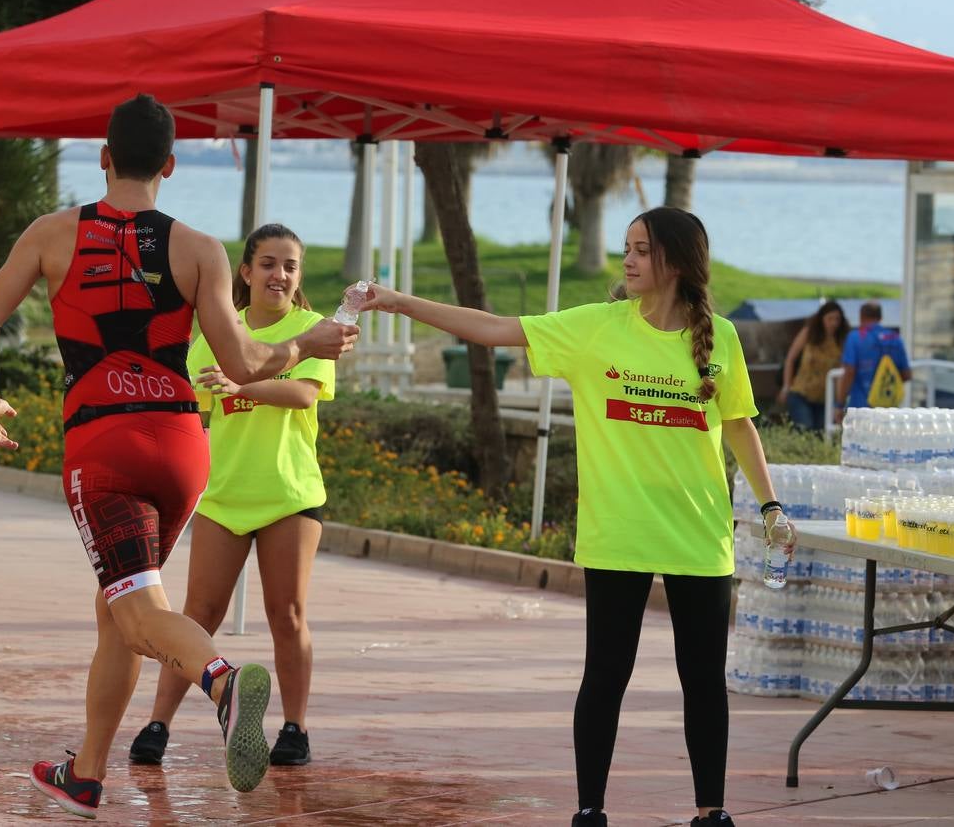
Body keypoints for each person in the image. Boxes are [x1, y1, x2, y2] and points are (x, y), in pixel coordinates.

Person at [0, 94, 357, 820]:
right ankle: (84, 773)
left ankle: (222, 681)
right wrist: (305, 344)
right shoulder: (200, 248)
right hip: (181, 449)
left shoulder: (51, 234)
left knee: (140, 615)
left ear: (104, 157)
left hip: (104, 443)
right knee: (118, 608)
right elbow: (242, 366)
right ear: (170, 166)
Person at [356, 206, 794, 827]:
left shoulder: (719, 336)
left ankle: (710, 812)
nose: (628, 259)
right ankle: (590, 810)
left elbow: (738, 425)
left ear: (674, 259)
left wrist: (771, 504)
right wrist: (401, 302)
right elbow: (492, 329)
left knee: (704, 684)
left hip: (700, 538)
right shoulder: (594, 328)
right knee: (605, 678)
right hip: (618, 536)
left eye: (641, 249)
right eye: (627, 247)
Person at [128, 222, 333, 769]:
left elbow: (302, 395)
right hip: (222, 498)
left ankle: (295, 728)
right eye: (268, 263)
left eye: (290, 265)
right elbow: (190, 417)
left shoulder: (314, 331)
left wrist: (242, 385)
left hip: (290, 495)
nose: (280, 274)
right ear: (245, 271)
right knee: (199, 615)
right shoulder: (217, 335)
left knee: (285, 613)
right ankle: (157, 725)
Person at [777, 300, 849, 431]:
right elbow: (790, 358)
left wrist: (839, 403)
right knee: (804, 427)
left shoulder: (841, 340)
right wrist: (786, 386)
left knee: (820, 432)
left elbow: (841, 374)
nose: (833, 323)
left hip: (824, 398)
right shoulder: (809, 333)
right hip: (801, 392)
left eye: (837, 319)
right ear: (821, 319)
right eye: (830, 319)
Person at [836, 300, 911, 416]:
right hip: (888, 409)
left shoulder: (855, 337)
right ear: (881, 317)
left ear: (861, 316)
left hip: (860, 409)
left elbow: (849, 372)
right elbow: (907, 375)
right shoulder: (895, 338)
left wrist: (840, 405)